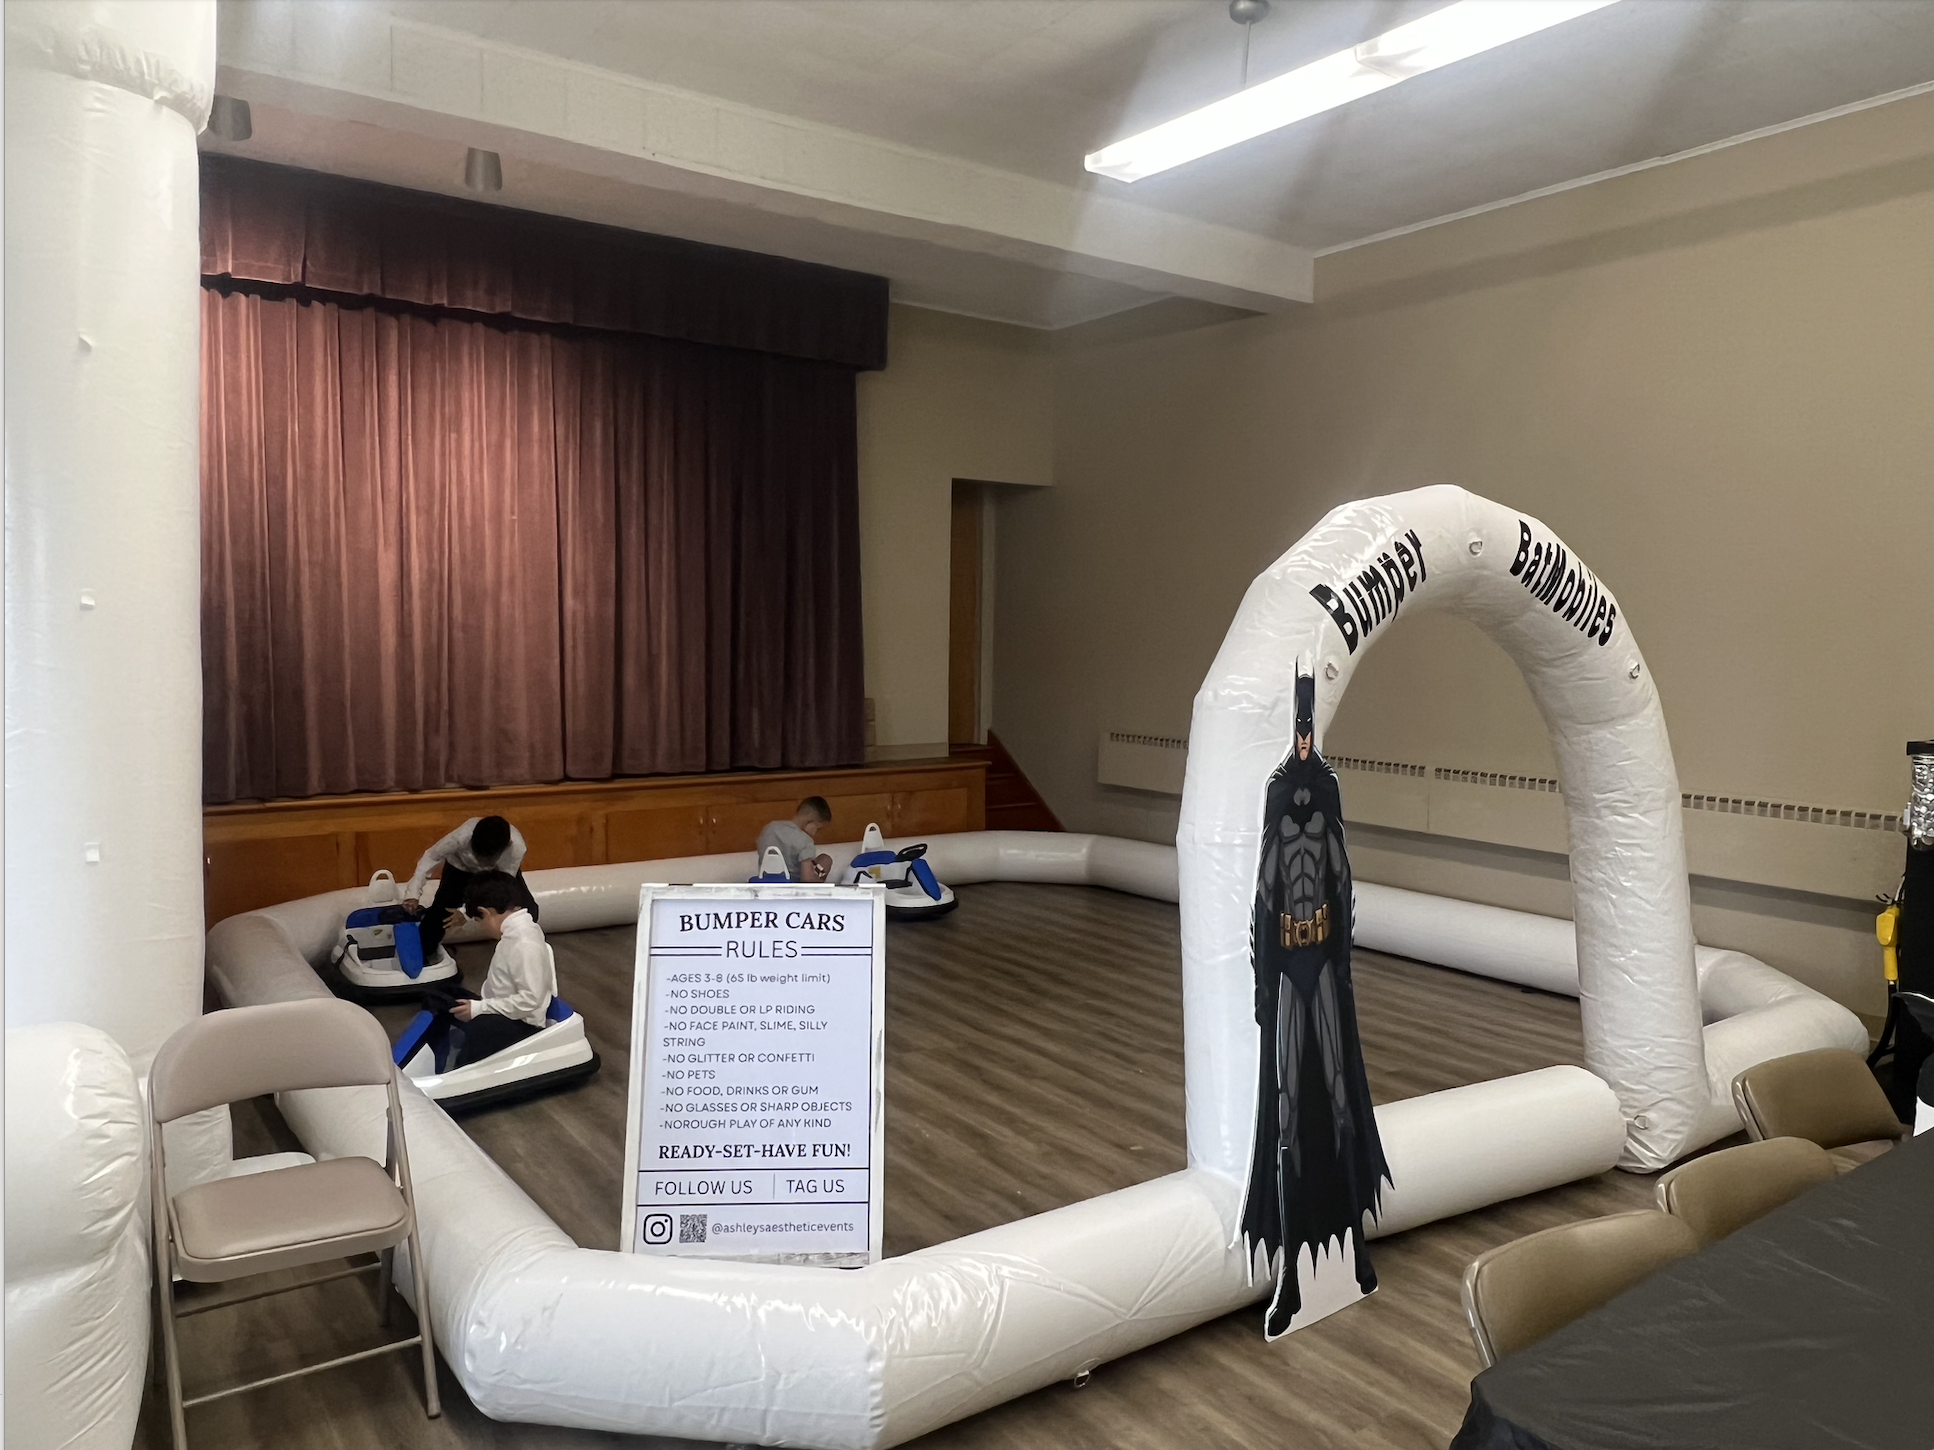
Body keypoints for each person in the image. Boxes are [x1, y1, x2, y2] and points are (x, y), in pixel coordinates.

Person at [1240, 669, 1390, 1340]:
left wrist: (1344, 969)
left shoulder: (1327, 792)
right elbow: (1263, 898)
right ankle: (1293, 1279)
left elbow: (1342, 884)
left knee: (1338, 1095)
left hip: (1324, 964)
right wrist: (1261, 988)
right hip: (1290, 968)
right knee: (1288, 1110)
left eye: (1309, 726)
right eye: (1297, 726)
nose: (1303, 738)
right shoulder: (1276, 796)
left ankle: (1355, 1251)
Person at [431, 871, 556, 1069]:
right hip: (498, 1008)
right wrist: (480, 1007)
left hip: (521, 1023)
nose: (481, 928)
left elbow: (531, 1001)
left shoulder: (524, 944)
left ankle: (460, 1071)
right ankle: (435, 1053)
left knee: (479, 1031)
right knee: (439, 993)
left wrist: (480, 1009)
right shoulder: (515, 933)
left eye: (478, 920)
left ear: (486, 913)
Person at [405, 814, 537, 958]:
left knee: (528, 909)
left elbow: (500, 886)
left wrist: (466, 912)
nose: (481, 863)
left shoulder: (516, 848)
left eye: (487, 859)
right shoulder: (460, 837)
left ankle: (520, 951)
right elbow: (431, 857)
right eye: (479, 857)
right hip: (459, 869)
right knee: (441, 914)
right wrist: (413, 893)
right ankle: (421, 954)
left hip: (497, 873)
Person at [756, 797, 835, 882]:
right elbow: (807, 879)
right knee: (825, 859)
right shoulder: (806, 841)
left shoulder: (769, 828)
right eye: (818, 829)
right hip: (792, 883)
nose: (817, 834)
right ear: (809, 821)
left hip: (765, 880)